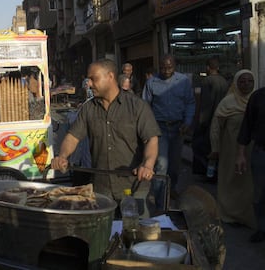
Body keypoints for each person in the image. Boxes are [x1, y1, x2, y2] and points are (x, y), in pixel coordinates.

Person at [51, 59, 160, 214]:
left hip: (134, 188)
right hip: (102, 190)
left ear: (110, 76)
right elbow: (72, 137)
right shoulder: (89, 109)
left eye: (93, 79)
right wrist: (62, 156)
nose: (89, 83)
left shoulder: (137, 106)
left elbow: (151, 139)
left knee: (136, 233)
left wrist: (148, 165)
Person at [142, 54, 195, 202]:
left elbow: (190, 102)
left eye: (169, 67)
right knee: (161, 164)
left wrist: (188, 121)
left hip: (178, 128)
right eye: (163, 68)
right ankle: (160, 199)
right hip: (160, 128)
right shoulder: (152, 82)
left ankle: (171, 189)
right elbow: (145, 106)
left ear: (175, 66)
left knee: (175, 165)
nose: (166, 71)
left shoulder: (183, 82)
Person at [209, 69, 256, 230]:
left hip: (252, 150)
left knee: (250, 184)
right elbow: (215, 126)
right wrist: (215, 148)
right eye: (242, 81)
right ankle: (228, 214)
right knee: (230, 180)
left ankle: (248, 216)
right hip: (230, 149)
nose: (246, 85)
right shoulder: (227, 102)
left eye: (249, 81)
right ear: (236, 83)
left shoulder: (257, 100)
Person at [236, 85, 265, 243]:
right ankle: (262, 228)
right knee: (260, 195)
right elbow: (246, 126)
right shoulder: (258, 97)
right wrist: (240, 154)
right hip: (261, 153)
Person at [192, 57, 229, 177]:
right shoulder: (224, 81)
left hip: (209, 122)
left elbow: (205, 105)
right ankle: (214, 173)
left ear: (208, 67)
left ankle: (208, 173)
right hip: (222, 120)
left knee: (204, 148)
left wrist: (201, 122)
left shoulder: (207, 81)